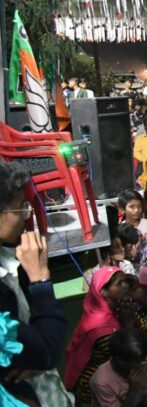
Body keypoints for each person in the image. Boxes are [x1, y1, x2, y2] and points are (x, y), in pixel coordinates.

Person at [0, 163, 71, 405]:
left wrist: (32, 356)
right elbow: (47, 351)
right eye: (20, 206)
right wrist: (40, 278)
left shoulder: (10, 255)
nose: (26, 214)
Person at [65, 268, 147, 404]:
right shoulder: (101, 330)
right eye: (120, 283)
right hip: (102, 381)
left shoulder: (120, 308)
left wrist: (132, 320)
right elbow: (127, 350)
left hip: (124, 363)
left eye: (126, 281)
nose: (126, 286)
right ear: (104, 292)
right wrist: (129, 325)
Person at [89, 327, 147, 407]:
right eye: (138, 361)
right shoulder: (101, 382)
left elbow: (146, 391)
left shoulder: (140, 358)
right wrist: (133, 389)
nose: (144, 363)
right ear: (120, 361)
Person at [119, 189, 147, 267]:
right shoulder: (120, 229)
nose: (136, 210)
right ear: (122, 209)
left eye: (139, 206)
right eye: (131, 207)